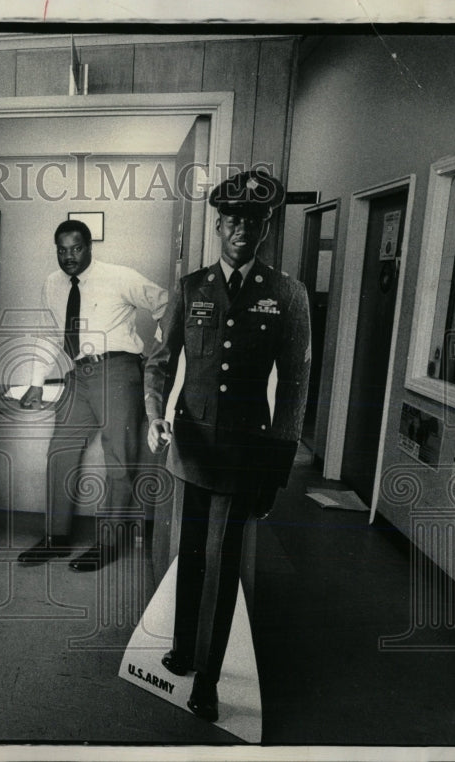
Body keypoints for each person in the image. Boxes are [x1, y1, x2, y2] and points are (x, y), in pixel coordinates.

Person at [144, 170, 311, 722]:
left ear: (265, 230)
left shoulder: (287, 293)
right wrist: (154, 413)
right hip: (192, 446)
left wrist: (278, 466)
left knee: (222, 563)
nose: (243, 230)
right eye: (234, 219)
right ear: (218, 224)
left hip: (244, 454)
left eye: (255, 222)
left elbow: (293, 386)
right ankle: (183, 649)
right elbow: (162, 360)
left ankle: (208, 679)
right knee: (189, 555)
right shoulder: (191, 287)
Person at [17, 220, 168, 572]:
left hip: (118, 371)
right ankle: (56, 539)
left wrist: (160, 356)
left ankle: (109, 543)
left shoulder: (120, 276)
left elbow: (166, 305)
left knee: (119, 459)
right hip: (77, 375)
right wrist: (36, 381)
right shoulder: (52, 285)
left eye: (76, 248)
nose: (69, 256)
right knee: (60, 453)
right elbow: (49, 334)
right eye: (62, 250)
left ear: (89, 247)